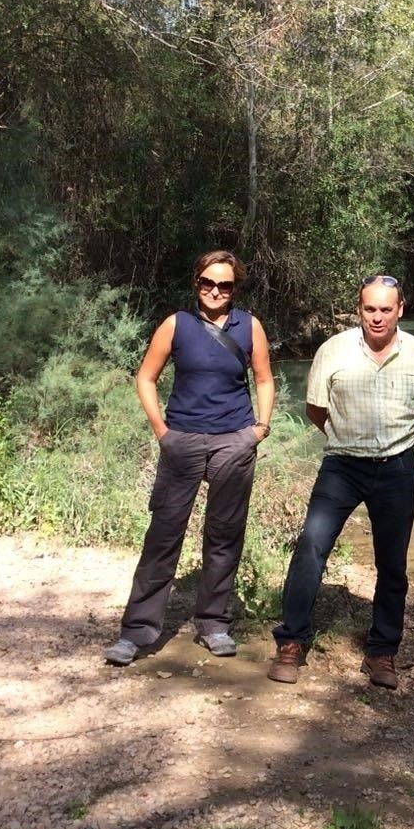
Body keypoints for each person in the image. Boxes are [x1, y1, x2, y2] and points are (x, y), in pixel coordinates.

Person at [267, 275, 414, 688]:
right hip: (342, 467)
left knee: (392, 563)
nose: (378, 317)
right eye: (370, 309)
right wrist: (345, 437)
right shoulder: (333, 350)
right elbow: (317, 410)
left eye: (387, 309)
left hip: (398, 469)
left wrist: (400, 443)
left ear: (400, 309)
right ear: (359, 309)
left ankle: (382, 652)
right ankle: (291, 642)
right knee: (311, 547)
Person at [105, 250, 275, 665]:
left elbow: (264, 378)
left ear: (235, 288)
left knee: (224, 535)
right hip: (182, 440)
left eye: (225, 285)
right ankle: (137, 632)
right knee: (163, 535)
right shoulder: (176, 324)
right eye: (208, 283)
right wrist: (162, 431)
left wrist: (259, 429)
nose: (215, 291)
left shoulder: (249, 326)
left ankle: (214, 623)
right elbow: (146, 377)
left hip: (233, 442)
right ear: (196, 282)